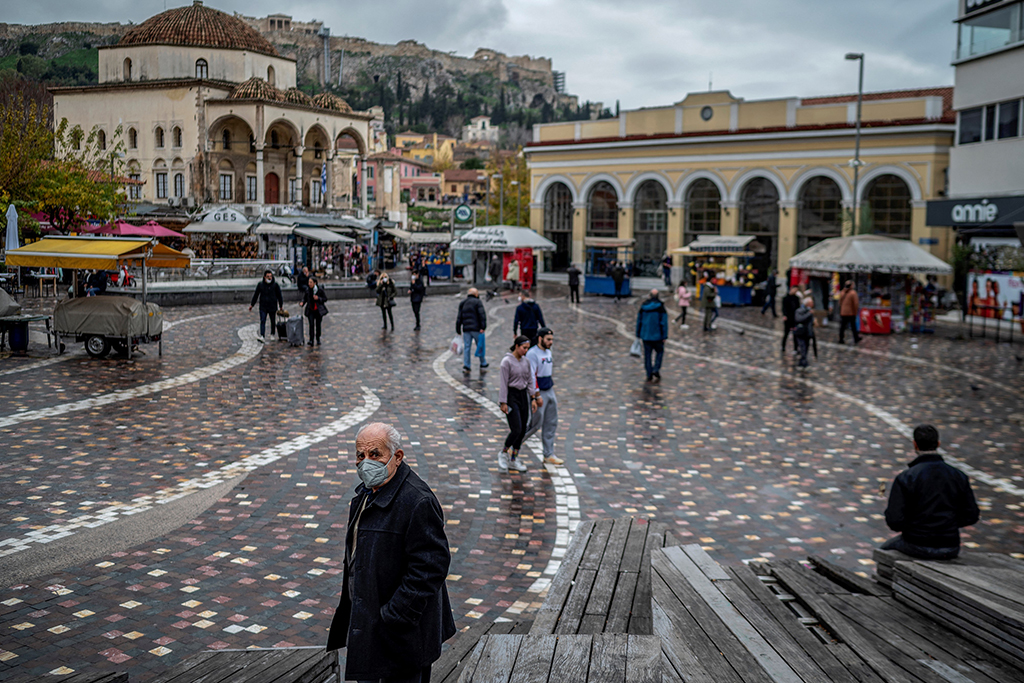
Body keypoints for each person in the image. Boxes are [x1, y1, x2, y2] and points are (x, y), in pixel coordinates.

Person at [326, 422, 456, 682]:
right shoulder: (368, 493)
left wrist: (394, 616)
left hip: (399, 636)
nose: (366, 463)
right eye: (360, 456)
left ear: (397, 457)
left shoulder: (417, 501)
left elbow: (431, 566)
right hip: (372, 627)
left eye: (375, 454)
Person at [882, 425, 979, 560]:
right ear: (938, 444)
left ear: (915, 445)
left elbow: (894, 521)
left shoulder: (906, 477)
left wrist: (916, 527)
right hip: (950, 546)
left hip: (916, 544)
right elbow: (971, 515)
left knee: (883, 550)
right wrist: (947, 524)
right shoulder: (958, 475)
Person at [499, 335, 539, 473]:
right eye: (524, 348)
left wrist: (533, 397)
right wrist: (503, 402)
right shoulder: (506, 362)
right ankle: (504, 452)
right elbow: (503, 383)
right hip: (511, 396)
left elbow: (530, 379)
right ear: (516, 346)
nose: (526, 351)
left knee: (522, 430)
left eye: (528, 348)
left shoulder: (526, 362)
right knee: (516, 428)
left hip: (523, 396)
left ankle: (514, 459)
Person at [524, 327, 563, 465]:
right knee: (535, 424)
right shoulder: (532, 354)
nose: (551, 342)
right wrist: (536, 395)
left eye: (552, 339)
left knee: (551, 422)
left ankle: (548, 454)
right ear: (540, 339)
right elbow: (531, 375)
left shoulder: (548, 351)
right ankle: (512, 445)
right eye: (548, 339)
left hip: (549, 389)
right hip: (539, 392)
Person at [636, 289, 669, 382]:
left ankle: (649, 373)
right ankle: (656, 369)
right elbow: (664, 322)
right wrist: (664, 335)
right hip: (657, 335)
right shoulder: (660, 307)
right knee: (659, 352)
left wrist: (638, 333)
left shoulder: (643, 306)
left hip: (646, 334)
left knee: (647, 355)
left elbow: (639, 320)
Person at [456, 288, 488, 373]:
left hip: (466, 329)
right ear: (476, 294)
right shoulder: (478, 302)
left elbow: (459, 317)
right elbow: (482, 315)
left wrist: (458, 329)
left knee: (467, 347)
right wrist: (483, 327)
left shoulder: (463, 303)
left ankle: (467, 365)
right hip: (476, 329)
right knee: (480, 346)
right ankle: (483, 363)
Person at [248, 269, 283, 342]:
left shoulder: (275, 285)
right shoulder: (260, 285)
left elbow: (279, 295)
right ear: (264, 277)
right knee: (263, 320)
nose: (269, 278)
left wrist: (281, 305)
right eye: (268, 277)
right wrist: (252, 304)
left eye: (270, 276)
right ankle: (262, 335)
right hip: (263, 306)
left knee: (272, 321)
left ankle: (272, 334)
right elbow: (256, 295)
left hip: (272, 306)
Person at [303, 276, 327, 346]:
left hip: (318, 310)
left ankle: (318, 338)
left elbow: (325, 299)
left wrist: (318, 298)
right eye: (309, 282)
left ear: (315, 283)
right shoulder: (307, 290)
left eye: (311, 282)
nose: (309, 284)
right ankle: (311, 340)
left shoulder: (320, 290)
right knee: (311, 325)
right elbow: (305, 298)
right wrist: (302, 302)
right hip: (310, 310)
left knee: (318, 325)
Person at [793, 296, 815, 367]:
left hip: (807, 332)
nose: (812, 304)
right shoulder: (800, 311)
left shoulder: (810, 311)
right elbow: (799, 319)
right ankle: (804, 362)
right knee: (803, 348)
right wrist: (809, 314)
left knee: (806, 348)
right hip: (801, 332)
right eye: (811, 303)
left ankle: (802, 362)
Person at [838, 280, 861, 345]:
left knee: (842, 326)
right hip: (851, 312)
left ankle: (841, 338)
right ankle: (856, 338)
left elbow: (839, 302)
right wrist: (855, 312)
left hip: (843, 312)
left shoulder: (842, 292)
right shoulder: (853, 293)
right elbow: (856, 304)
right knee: (853, 326)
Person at [780, 286, 801, 353]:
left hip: (795, 319)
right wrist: (784, 315)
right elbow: (784, 308)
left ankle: (795, 348)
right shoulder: (786, 298)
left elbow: (798, 308)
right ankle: (783, 346)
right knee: (786, 333)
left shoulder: (796, 298)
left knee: (795, 334)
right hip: (788, 318)